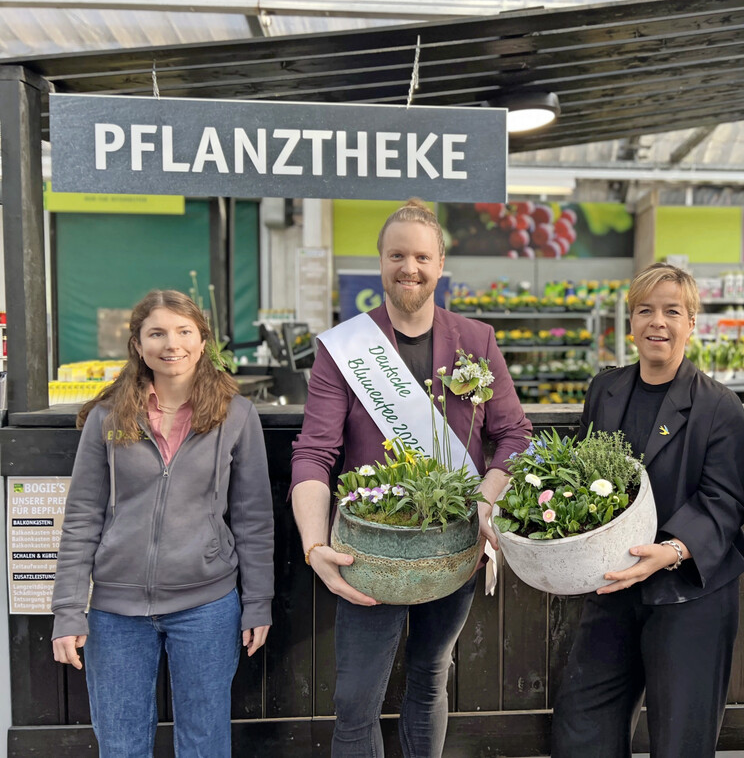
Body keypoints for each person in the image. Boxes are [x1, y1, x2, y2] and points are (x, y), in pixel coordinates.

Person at [290, 198, 531, 758]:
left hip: (454, 547)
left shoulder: (477, 339)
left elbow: (515, 436)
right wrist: (313, 545)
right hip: (370, 553)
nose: (410, 268)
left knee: (430, 677)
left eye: (422, 256)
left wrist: (484, 504)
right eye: (397, 254)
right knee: (355, 702)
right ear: (380, 261)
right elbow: (314, 453)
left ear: (440, 263)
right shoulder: (345, 348)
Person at [51, 290, 274, 758]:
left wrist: (258, 602)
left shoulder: (237, 415)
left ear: (202, 340)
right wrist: (68, 611)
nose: (171, 344)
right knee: (121, 746)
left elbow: (254, 519)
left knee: (204, 744)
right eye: (156, 333)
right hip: (114, 611)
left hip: (207, 606)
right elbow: (81, 518)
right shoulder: (108, 417)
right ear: (137, 344)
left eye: (183, 331)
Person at [551, 262, 744, 758]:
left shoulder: (719, 407)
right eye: (645, 310)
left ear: (692, 323)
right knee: (581, 726)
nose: (657, 323)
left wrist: (671, 550)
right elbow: (584, 473)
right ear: (630, 323)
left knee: (679, 740)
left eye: (671, 311)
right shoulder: (606, 388)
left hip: (688, 592)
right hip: (614, 584)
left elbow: (725, 502)